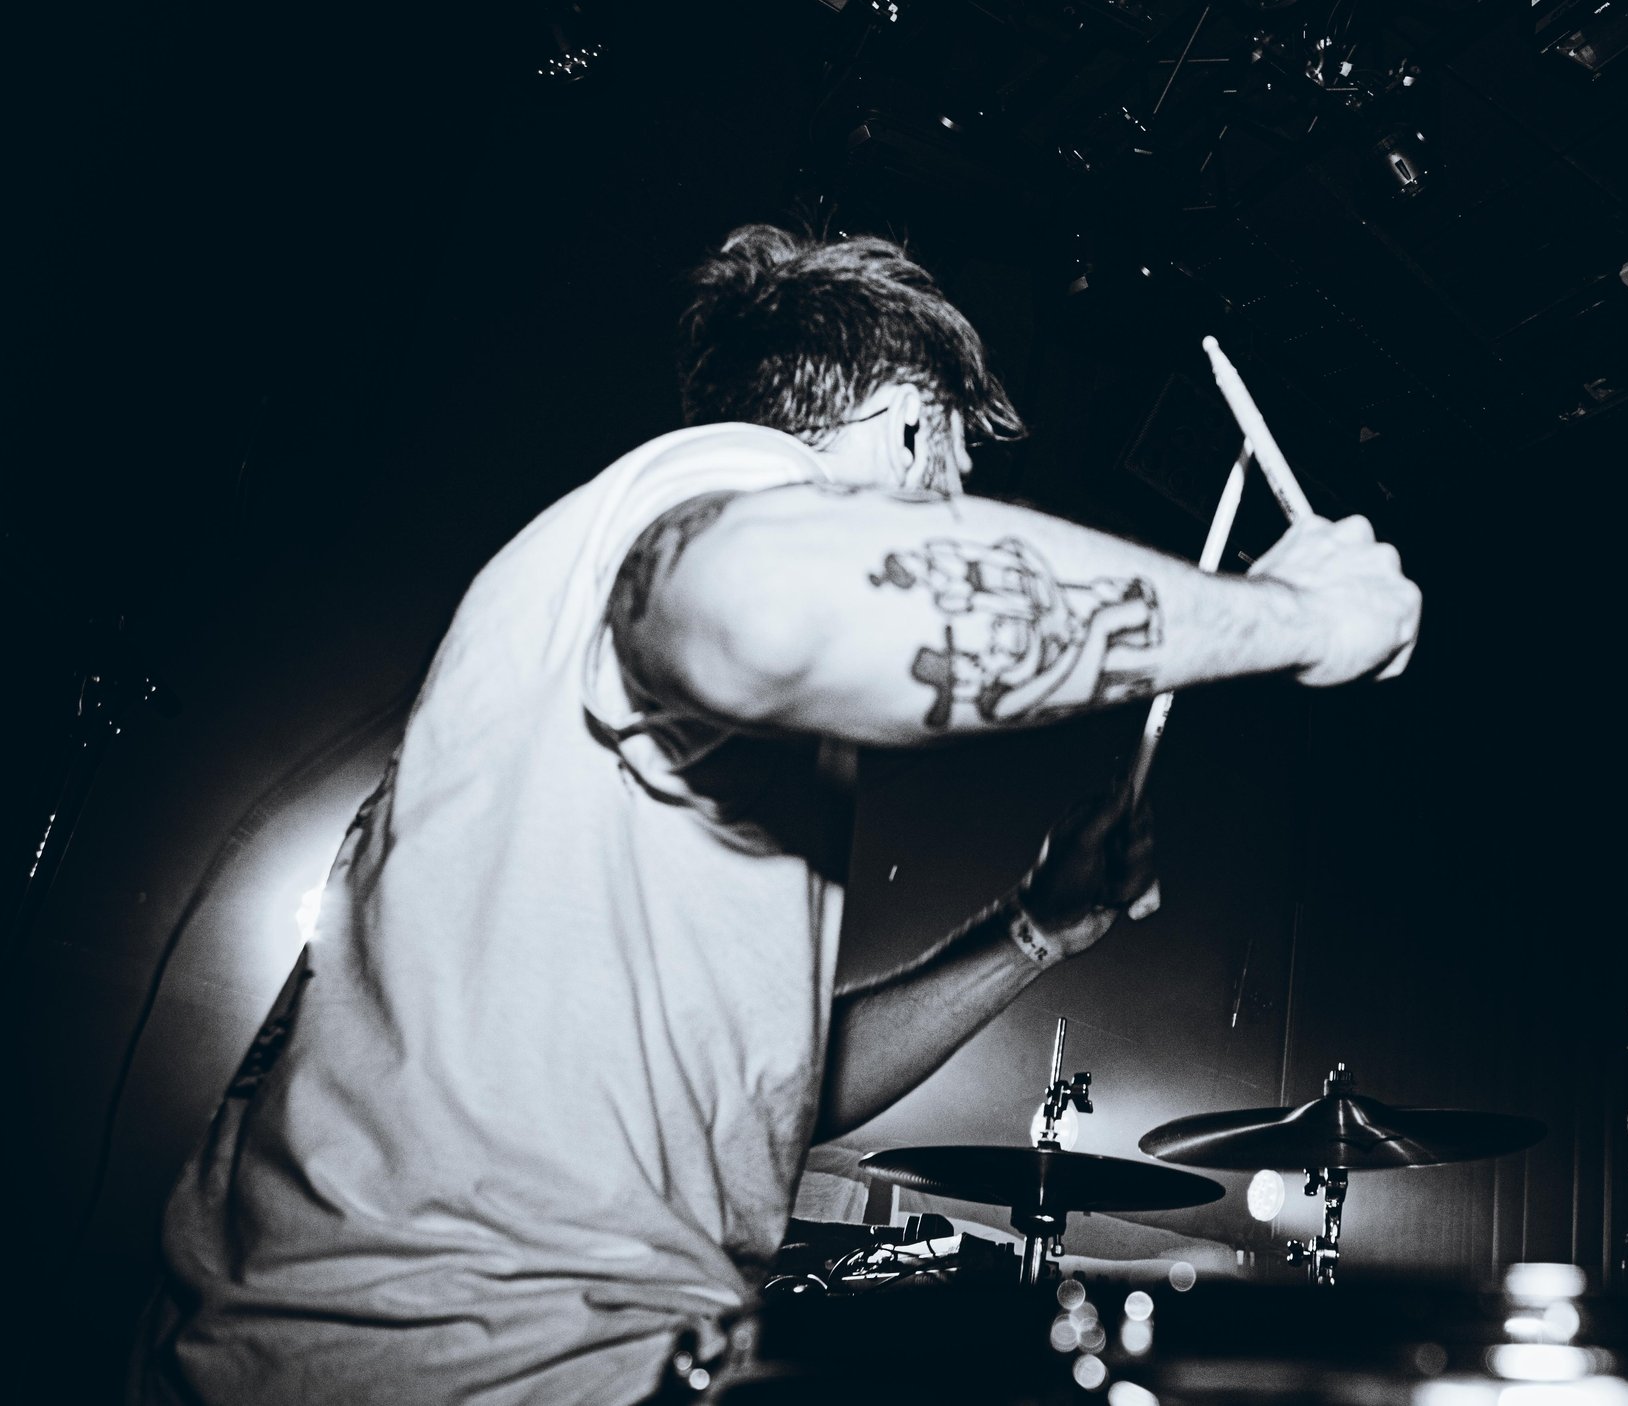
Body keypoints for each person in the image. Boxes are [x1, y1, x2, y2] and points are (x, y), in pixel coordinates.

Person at [139, 226, 1421, 1404]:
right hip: (472, 1359)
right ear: (909, 427)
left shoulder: (591, 680)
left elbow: (780, 1097)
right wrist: (1298, 617)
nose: (958, 499)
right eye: (959, 469)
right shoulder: (720, 480)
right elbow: (779, 607)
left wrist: (1034, 928)